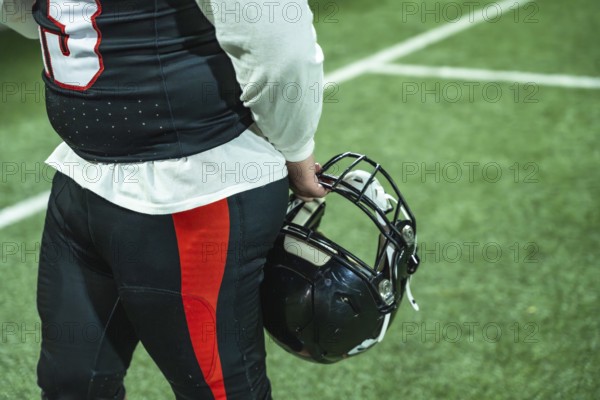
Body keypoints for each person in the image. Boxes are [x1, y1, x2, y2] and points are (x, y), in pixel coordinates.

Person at [1, 0, 327, 398]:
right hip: (82, 175)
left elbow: (277, 38)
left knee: (219, 390)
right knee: (72, 384)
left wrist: (295, 146)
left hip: (194, 189)